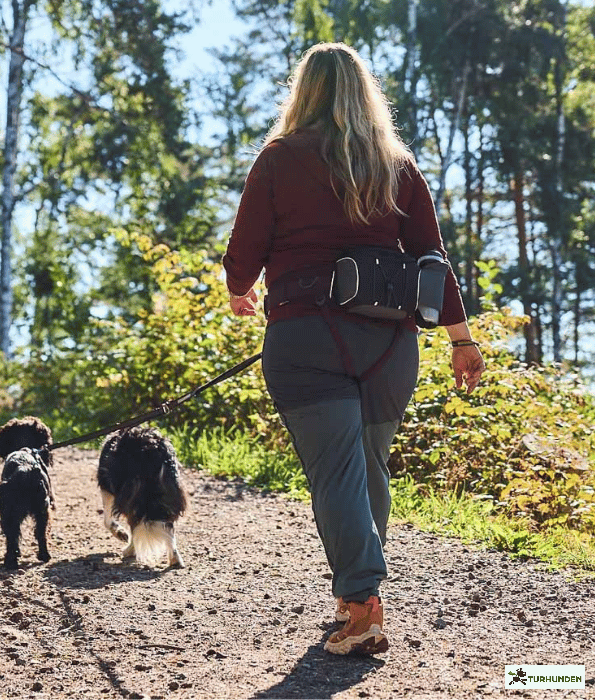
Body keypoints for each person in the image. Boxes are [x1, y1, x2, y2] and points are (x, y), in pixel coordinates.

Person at [222, 42, 485, 656]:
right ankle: (356, 596)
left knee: (339, 470)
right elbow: (433, 259)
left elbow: (243, 255)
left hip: (306, 339)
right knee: (367, 466)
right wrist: (461, 339)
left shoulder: (280, 158)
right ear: (366, 94)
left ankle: (363, 603)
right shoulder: (396, 164)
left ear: (303, 92)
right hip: (390, 346)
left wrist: (240, 290)